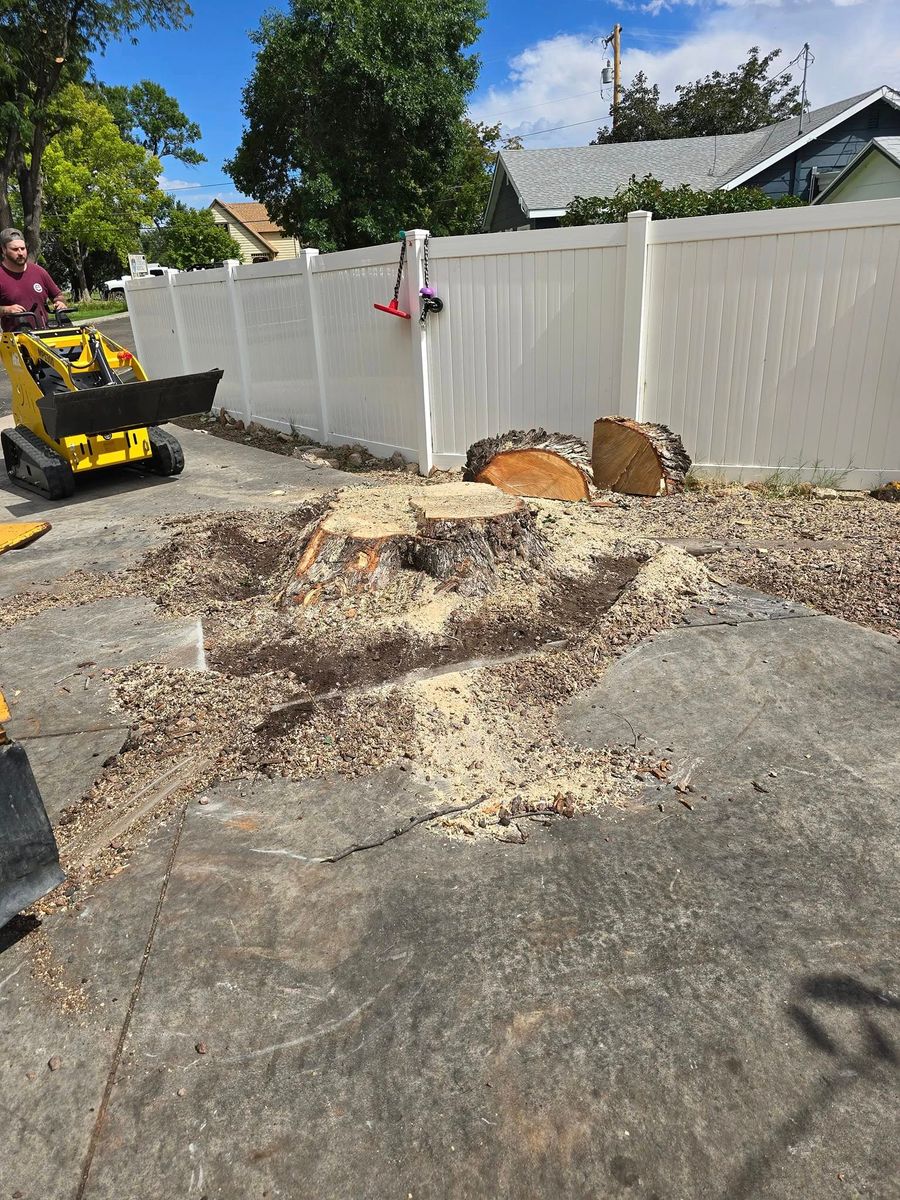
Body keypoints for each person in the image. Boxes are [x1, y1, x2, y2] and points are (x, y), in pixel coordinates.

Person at [0, 227, 67, 333]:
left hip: (45, 337)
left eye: (23, 248)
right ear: (3, 250)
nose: (20, 253)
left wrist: (60, 302)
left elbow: (58, 295)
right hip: (15, 341)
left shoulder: (39, 271)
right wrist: (6, 310)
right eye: (15, 249)